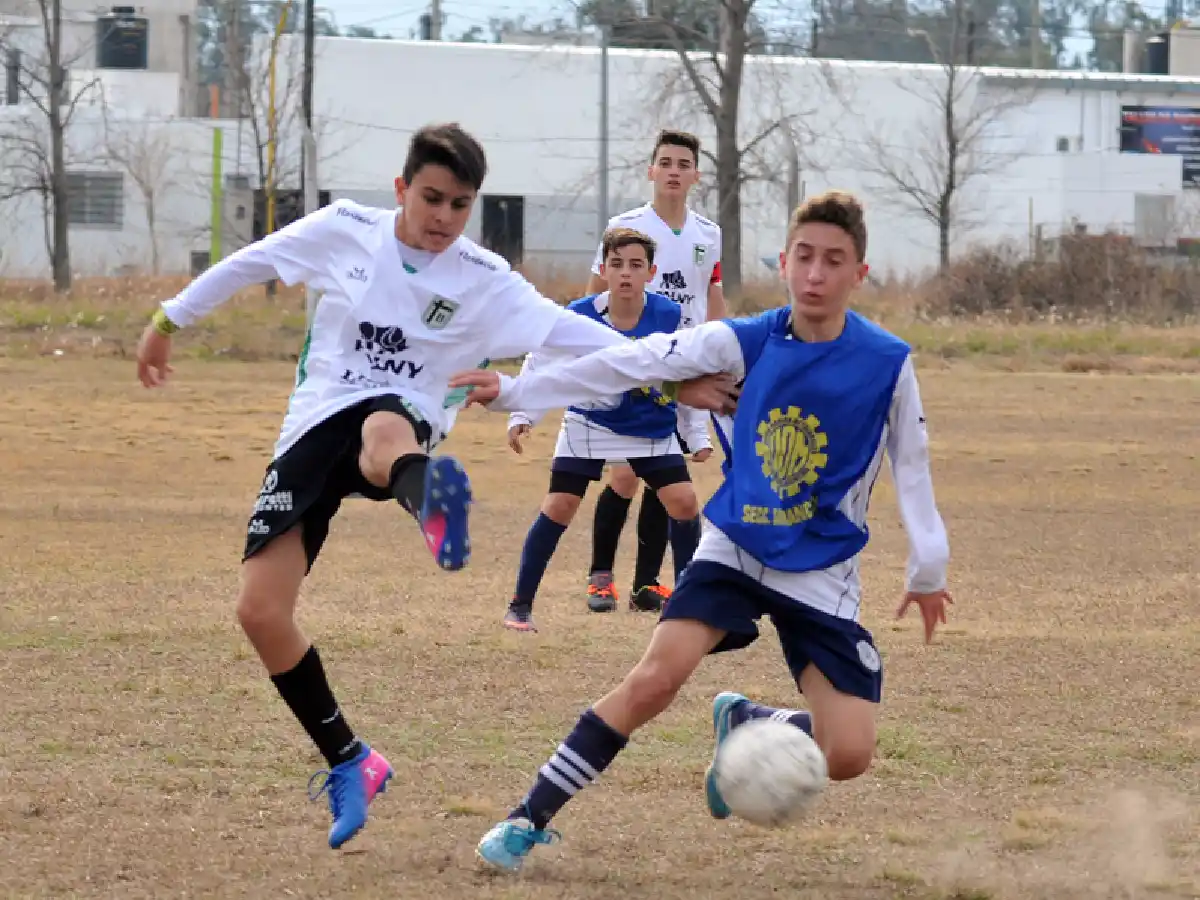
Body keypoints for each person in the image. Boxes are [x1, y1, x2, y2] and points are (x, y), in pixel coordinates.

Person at [133, 123, 691, 852]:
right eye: (431, 199)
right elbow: (256, 260)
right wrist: (169, 319)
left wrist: (683, 370)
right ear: (401, 189)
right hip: (312, 426)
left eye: (460, 205)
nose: (443, 218)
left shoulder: (483, 279)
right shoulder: (346, 231)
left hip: (405, 420)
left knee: (382, 435)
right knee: (260, 610)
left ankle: (435, 501)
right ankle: (350, 759)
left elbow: (573, 335)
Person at [449, 190, 953, 874]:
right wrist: (516, 394)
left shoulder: (887, 361)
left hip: (821, 569)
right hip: (737, 544)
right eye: (803, 256)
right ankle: (526, 819)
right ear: (784, 262)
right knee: (656, 678)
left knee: (849, 756)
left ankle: (752, 721)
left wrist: (930, 567)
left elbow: (913, 465)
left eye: (833, 261)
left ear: (859, 274)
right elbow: (632, 360)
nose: (814, 274)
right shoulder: (740, 340)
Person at [502, 226, 705, 633]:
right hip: (590, 420)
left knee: (683, 502)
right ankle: (519, 605)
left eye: (635, 265)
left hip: (650, 424)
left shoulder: (668, 315)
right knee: (560, 504)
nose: (625, 273)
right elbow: (543, 360)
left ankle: (689, 605)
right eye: (617, 264)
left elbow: (686, 371)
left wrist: (696, 435)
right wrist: (522, 414)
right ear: (604, 269)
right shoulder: (579, 314)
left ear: (651, 272)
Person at [582, 129, 726, 615]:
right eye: (665, 162)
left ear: (695, 175)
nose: (673, 171)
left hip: (687, 360)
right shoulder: (624, 225)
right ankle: (600, 578)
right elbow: (592, 297)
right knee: (624, 473)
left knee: (663, 476)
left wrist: (725, 350)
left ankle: (647, 583)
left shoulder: (708, 233)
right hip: (637, 362)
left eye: (683, 164)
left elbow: (713, 296)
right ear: (650, 171)